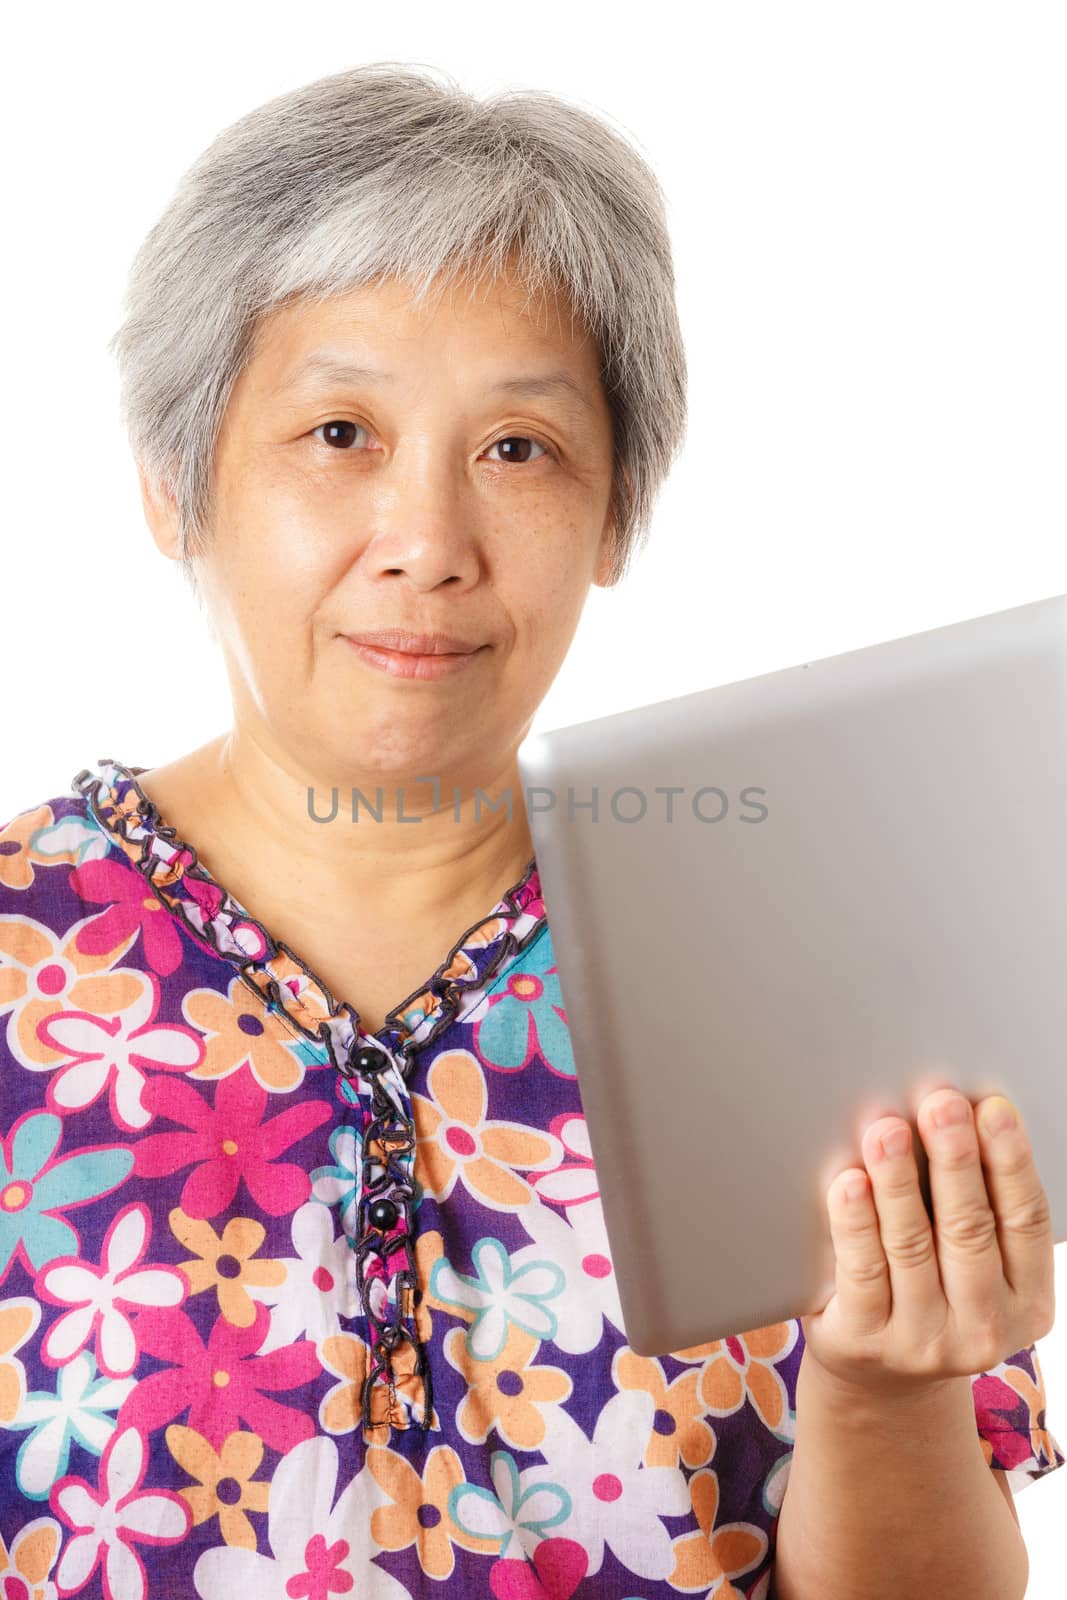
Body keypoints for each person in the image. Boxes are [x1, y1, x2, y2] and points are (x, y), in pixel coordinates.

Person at [0, 61, 1061, 1600]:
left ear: (614, 510)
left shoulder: (805, 965)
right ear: (176, 482)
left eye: (518, 449)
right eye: (340, 432)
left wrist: (887, 1386)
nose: (428, 546)